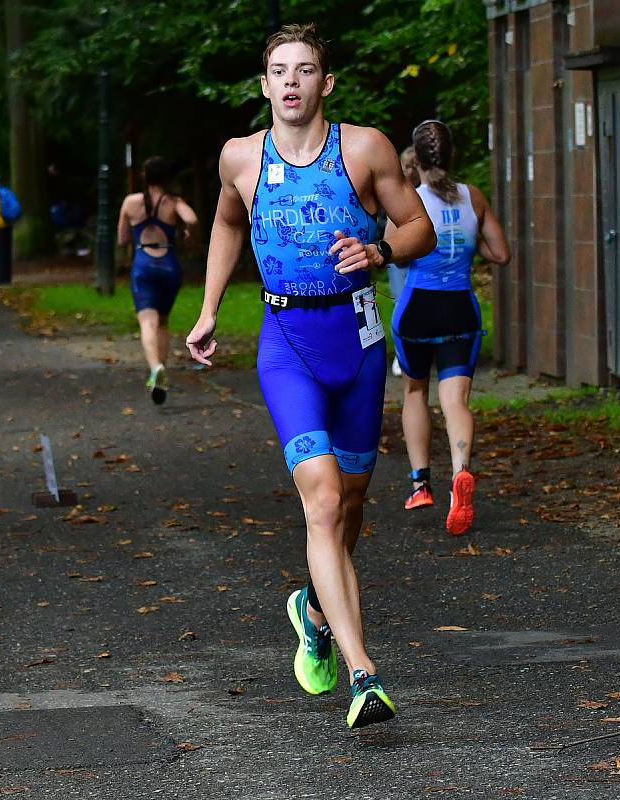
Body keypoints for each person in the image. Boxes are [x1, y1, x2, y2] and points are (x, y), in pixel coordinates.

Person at [186, 24, 435, 729]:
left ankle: (314, 611)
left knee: (352, 501)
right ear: (264, 84)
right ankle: (364, 673)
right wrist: (207, 309)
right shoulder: (242, 157)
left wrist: (380, 247)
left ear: (326, 83)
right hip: (286, 343)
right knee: (322, 501)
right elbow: (229, 224)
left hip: (356, 344)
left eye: (305, 70)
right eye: (278, 70)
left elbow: (420, 228)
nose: (291, 81)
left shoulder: (364, 149)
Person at [389, 119, 510, 532]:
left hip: (418, 307)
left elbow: (397, 255)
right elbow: (500, 253)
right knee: (455, 399)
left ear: (416, 158)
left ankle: (421, 484)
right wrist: (468, 241)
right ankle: (461, 470)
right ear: (451, 155)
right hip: (461, 307)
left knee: (415, 390)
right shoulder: (473, 197)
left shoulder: (410, 201)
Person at [117, 157, 199, 405]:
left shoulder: (131, 202)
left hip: (143, 264)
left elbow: (122, 239)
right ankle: (162, 368)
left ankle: (155, 369)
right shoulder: (173, 202)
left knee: (147, 322)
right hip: (169, 265)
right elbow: (193, 219)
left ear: (145, 176)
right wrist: (187, 234)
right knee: (162, 321)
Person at [387, 146, 419, 377]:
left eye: (413, 166)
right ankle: (402, 353)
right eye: (405, 167)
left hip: (421, 261)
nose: (409, 171)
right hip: (400, 261)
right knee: (402, 303)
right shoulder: (397, 196)